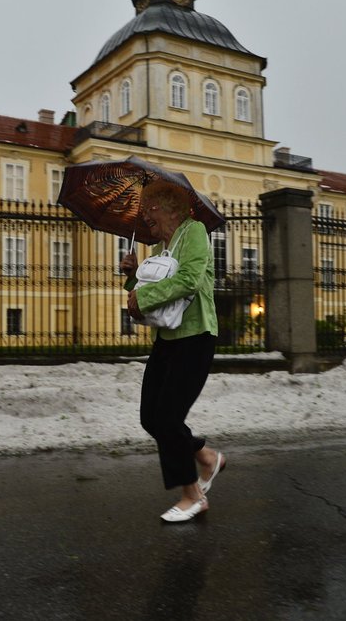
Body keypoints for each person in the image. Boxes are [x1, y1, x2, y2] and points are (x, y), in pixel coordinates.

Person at [119, 179, 227, 523]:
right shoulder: (160, 250)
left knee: (167, 418)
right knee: (150, 417)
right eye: (144, 208)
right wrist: (133, 277)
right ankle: (207, 457)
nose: (145, 215)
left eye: (150, 207)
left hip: (196, 337)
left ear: (171, 207)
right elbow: (152, 294)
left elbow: (190, 280)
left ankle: (193, 495)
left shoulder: (194, 232)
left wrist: (144, 295)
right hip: (167, 340)